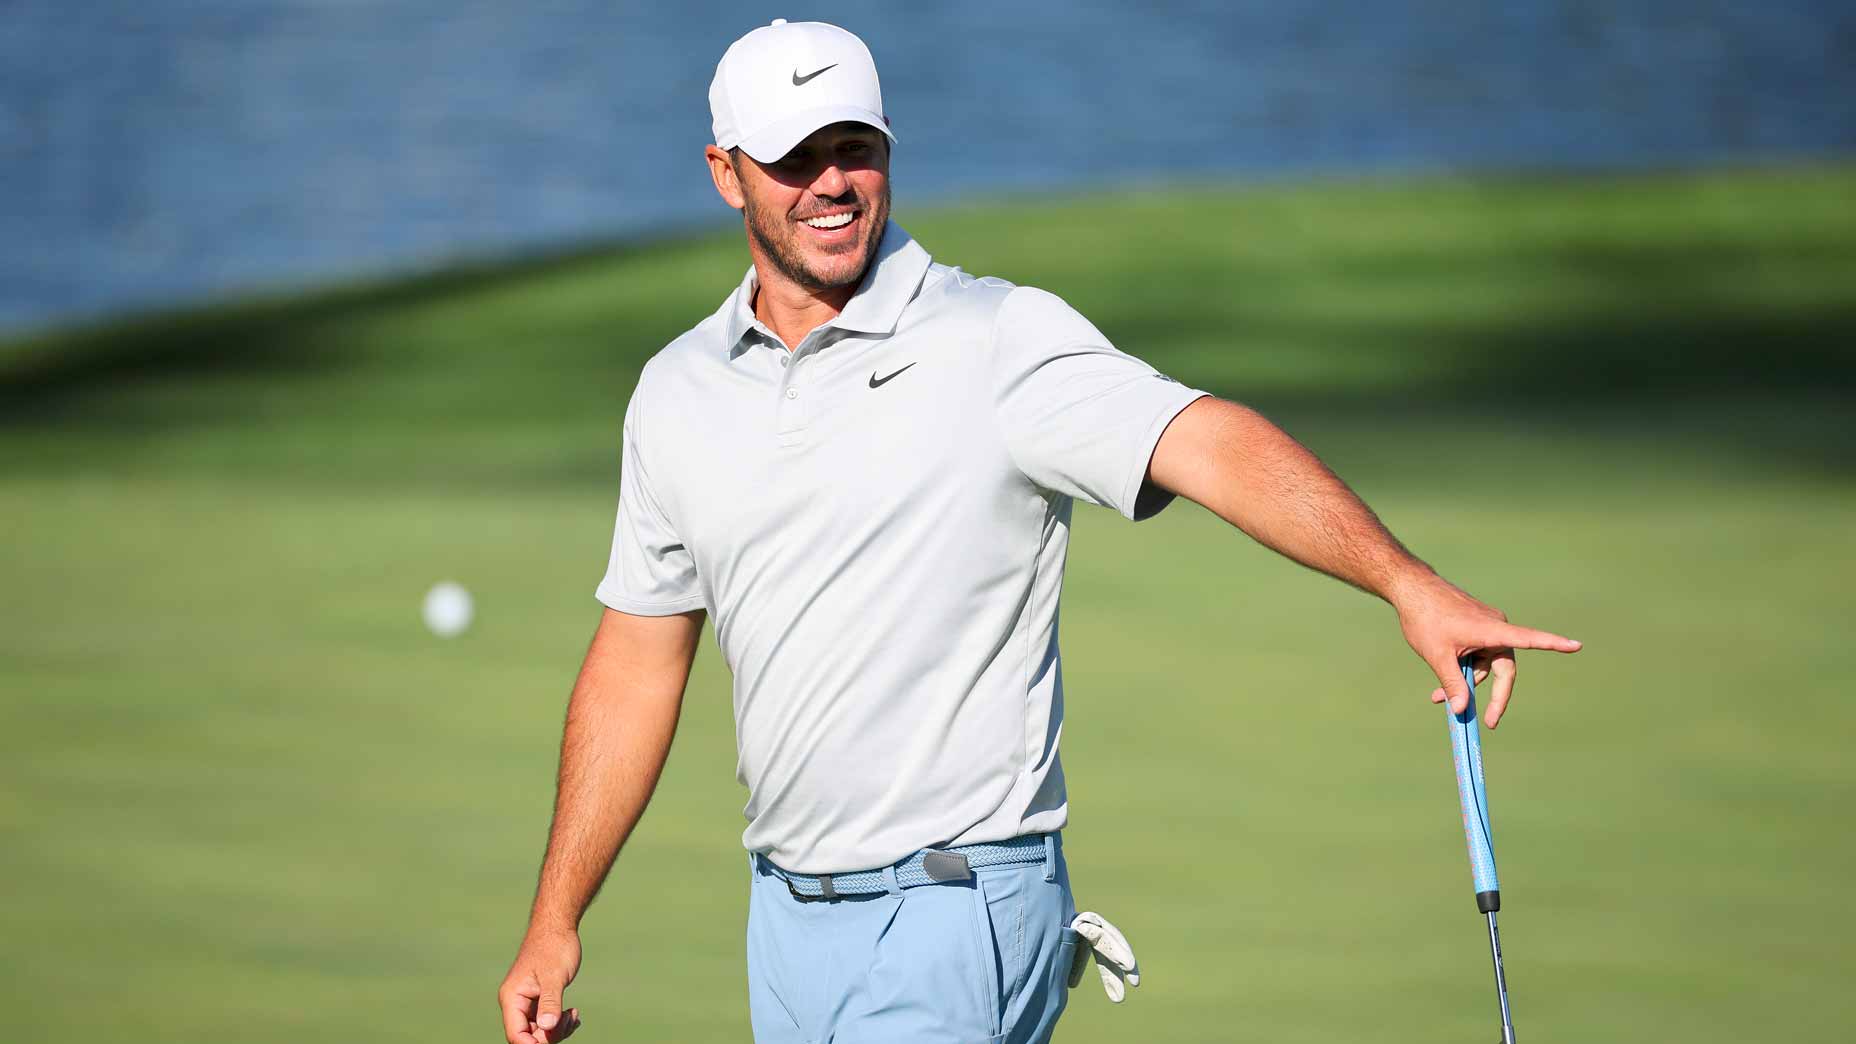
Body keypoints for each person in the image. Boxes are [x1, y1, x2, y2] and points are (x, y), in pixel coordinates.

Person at [496, 19, 1581, 1044]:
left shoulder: (992, 337)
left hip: (957, 903)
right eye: (793, 157)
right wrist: (555, 917)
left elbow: (1202, 440)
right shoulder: (679, 391)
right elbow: (638, 662)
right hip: (783, 922)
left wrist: (1403, 580)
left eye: (855, 148)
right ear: (725, 171)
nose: (831, 183)